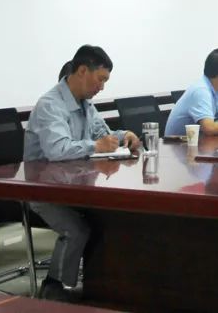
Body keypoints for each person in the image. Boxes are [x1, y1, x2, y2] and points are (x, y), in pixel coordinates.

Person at [24, 45, 141, 302]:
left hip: (75, 185)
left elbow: (102, 135)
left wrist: (123, 136)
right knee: (76, 229)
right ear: (82, 71)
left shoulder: (86, 104)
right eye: (101, 79)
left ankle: (106, 289)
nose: (102, 87)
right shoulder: (50, 105)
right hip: (44, 190)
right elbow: (58, 149)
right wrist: (96, 146)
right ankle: (54, 288)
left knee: (111, 218)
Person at [166, 48, 218, 136]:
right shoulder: (201, 90)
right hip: (176, 143)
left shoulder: (216, 90)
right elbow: (208, 127)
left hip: (196, 141)